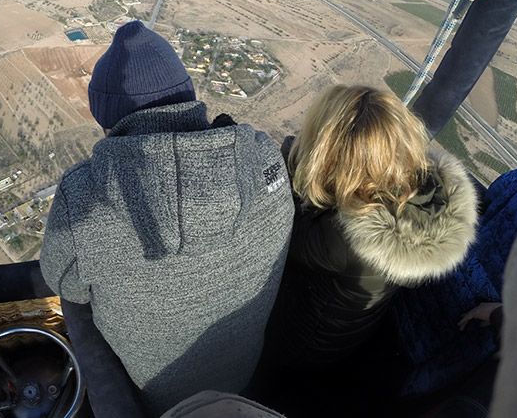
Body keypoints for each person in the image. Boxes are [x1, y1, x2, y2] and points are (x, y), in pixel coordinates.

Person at [40, 21, 294, 416]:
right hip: (243, 380)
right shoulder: (264, 158)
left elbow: (62, 283)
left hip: (155, 399)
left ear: (106, 117)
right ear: (188, 99)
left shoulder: (83, 197)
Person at [253, 85, 478, 413]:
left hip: (305, 340)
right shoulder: (422, 190)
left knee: (266, 375)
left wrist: (293, 158)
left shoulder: (346, 240)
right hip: (352, 331)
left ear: (329, 155)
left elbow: (282, 233)